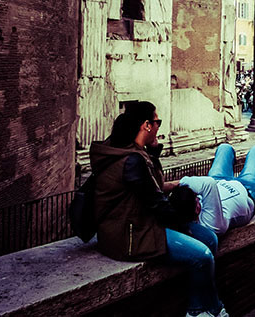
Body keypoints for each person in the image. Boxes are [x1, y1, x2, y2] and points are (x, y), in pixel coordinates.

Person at [90, 102, 227, 317]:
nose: (159, 127)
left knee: (210, 238)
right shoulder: (132, 160)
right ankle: (204, 310)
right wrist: (184, 226)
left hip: (137, 223)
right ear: (146, 125)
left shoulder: (130, 151)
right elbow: (156, 201)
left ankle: (202, 303)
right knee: (203, 255)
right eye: (157, 122)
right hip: (129, 234)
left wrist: (159, 159)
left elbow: (149, 185)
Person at [178, 143, 255, 236]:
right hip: (247, 190)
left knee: (224, 148)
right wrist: (180, 182)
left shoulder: (186, 206)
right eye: (197, 198)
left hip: (219, 181)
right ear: (197, 209)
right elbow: (208, 184)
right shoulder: (211, 223)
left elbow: (210, 184)